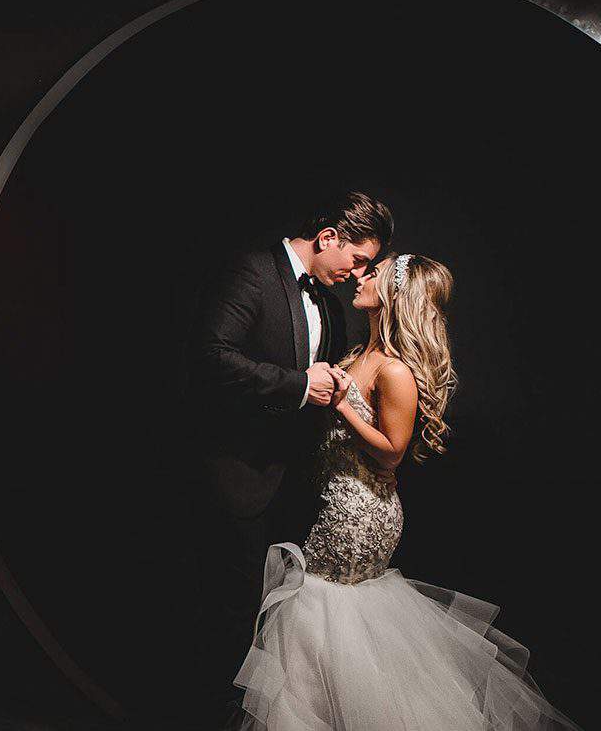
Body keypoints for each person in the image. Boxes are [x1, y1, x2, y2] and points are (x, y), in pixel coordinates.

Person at [231, 254, 578, 729]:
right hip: (332, 500)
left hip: (361, 514)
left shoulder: (394, 371)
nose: (360, 276)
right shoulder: (358, 353)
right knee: (319, 621)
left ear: (394, 295)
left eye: (373, 272)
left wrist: (343, 408)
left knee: (323, 611)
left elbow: (393, 451)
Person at [189, 192, 394, 717]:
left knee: (282, 618)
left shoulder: (328, 299)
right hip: (239, 473)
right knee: (231, 612)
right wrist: (300, 384)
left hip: (298, 484)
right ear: (328, 238)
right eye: (358, 260)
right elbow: (210, 357)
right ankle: (219, 714)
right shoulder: (253, 272)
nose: (357, 274)